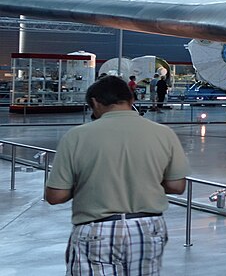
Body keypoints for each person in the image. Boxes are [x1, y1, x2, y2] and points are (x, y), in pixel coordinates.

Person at [44, 75, 190, 275]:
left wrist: (88, 182)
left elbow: (55, 196)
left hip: (97, 231)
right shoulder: (164, 134)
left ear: (95, 103)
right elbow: (177, 186)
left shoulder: (76, 136)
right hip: (148, 229)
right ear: (132, 99)